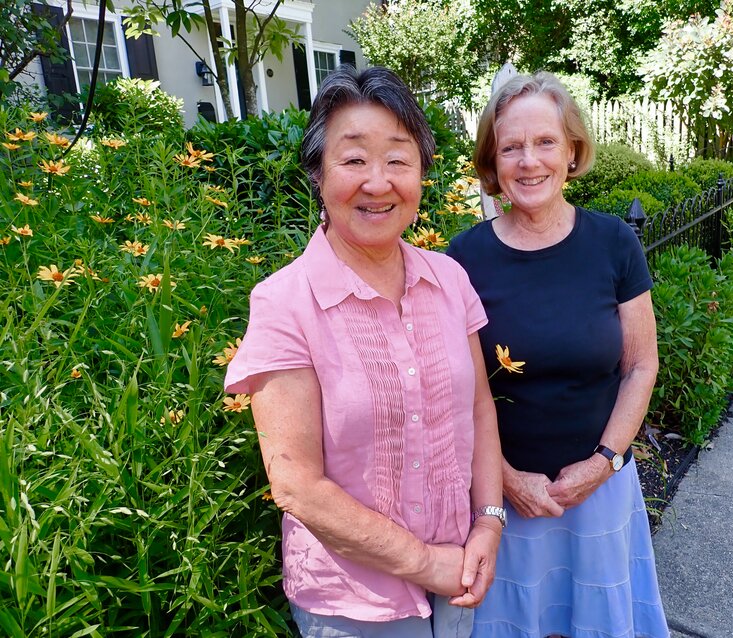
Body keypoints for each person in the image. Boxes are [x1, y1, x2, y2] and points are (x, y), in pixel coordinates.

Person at [224, 66, 504, 638]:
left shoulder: (449, 279)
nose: (378, 183)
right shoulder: (284, 303)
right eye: (353, 160)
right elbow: (296, 484)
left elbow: (478, 409)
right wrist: (428, 564)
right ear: (318, 176)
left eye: (398, 160)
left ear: (421, 174)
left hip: (461, 577)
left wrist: (489, 525)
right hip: (354, 605)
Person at [447, 71, 670, 638]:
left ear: (572, 150)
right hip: (502, 502)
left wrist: (604, 462)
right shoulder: (464, 258)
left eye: (545, 142)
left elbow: (642, 365)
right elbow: (452, 392)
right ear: (492, 162)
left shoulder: (614, 243)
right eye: (511, 147)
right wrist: (505, 478)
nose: (529, 161)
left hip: (597, 492)